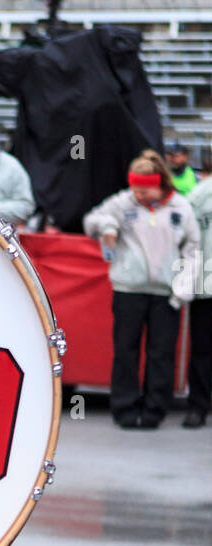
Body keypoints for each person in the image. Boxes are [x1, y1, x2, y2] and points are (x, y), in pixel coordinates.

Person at [84, 149, 199, 429]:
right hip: (129, 289)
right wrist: (108, 226)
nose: (139, 195)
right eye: (135, 189)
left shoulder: (181, 208)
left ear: (158, 185)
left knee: (161, 353)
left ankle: (154, 410)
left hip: (165, 294)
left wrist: (183, 290)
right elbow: (91, 221)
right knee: (126, 350)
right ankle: (124, 408)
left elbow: (193, 249)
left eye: (145, 190)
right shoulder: (122, 203)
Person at [184, 170, 212, 427]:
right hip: (205, 284)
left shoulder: (197, 194)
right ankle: (198, 406)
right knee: (202, 350)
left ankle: (199, 407)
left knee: (203, 350)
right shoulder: (198, 195)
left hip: (205, 282)